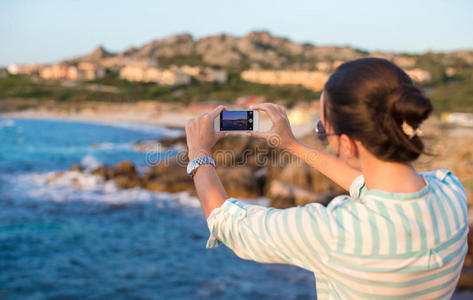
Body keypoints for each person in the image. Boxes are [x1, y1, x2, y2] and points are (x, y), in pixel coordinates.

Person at [184, 57, 468, 299]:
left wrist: (199, 151)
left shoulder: (338, 232)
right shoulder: (450, 190)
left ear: (347, 143)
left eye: (324, 130)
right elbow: (367, 186)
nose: (323, 136)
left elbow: (227, 223)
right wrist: (292, 145)